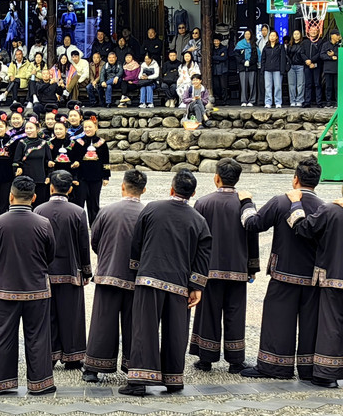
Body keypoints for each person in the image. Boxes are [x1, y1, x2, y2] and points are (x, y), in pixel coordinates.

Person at [120, 169, 212, 396]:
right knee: (176, 331)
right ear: (193, 194)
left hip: (149, 278)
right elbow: (203, 256)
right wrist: (197, 286)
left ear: (172, 189)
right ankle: (173, 379)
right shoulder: (199, 221)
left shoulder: (152, 208)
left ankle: (140, 381)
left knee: (144, 329)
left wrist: (136, 270)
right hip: (179, 283)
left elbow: (137, 242)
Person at [238, 156, 324, 381]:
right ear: (317, 181)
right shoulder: (324, 207)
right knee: (310, 325)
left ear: (295, 179)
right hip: (312, 277)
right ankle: (309, 369)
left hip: (283, 273)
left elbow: (253, 224)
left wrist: (246, 203)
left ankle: (275, 367)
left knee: (277, 321)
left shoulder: (281, 201)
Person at [0, 176, 57, 395]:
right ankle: (40, 383)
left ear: (10, 196)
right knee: (38, 337)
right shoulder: (43, 223)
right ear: (34, 198)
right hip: (37, 289)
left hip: (6, 289)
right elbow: (50, 255)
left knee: (2, 336)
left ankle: (0, 381)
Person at [189, 158, 259, 373]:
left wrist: (193, 269)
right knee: (235, 313)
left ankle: (206, 358)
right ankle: (236, 360)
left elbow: (196, 239)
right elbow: (252, 236)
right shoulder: (245, 204)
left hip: (208, 269)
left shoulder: (203, 203)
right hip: (237, 269)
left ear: (216, 178)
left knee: (207, 313)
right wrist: (252, 267)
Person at [83, 169, 147, 381]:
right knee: (134, 324)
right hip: (136, 277)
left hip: (108, 274)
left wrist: (106, 255)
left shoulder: (107, 211)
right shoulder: (147, 214)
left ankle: (93, 368)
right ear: (144, 190)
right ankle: (133, 366)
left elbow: (95, 241)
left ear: (122, 186)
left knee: (102, 322)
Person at [285, 186, 343, 388]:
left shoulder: (331, 210)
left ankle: (326, 373)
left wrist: (295, 203)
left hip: (334, 276)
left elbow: (303, 228)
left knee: (331, 324)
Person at [34, 170, 91, 369]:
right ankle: (73, 356)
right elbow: (84, 245)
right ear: (70, 188)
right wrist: (86, 271)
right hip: (70, 270)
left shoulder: (39, 210)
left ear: (51, 187)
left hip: (45, 271)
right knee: (71, 314)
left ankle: (49, 355)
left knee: (47, 315)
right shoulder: (78, 212)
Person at [75, 114, 109, 225]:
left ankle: (94, 225)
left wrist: (106, 176)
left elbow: (106, 160)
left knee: (94, 202)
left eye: (90, 127)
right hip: (82, 177)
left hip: (96, 177)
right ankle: (79, 225)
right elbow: (76, 159)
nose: (87, 129)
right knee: (80, 201)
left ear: (96, 127)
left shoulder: (102, 142)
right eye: (85, 127)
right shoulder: (79, 142)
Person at [14, 116, 53, 207]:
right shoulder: (22, 143)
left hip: (41, 179)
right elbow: (16, 161)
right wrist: (18, 169)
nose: (28, 130)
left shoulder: (44, 143)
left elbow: (49, 161)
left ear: (37, 129)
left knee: (40, 205)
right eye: (26, 128)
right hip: (26, 180)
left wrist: (49, 175)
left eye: (31, 128)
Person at [261, 30, 287, 109]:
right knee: (268, 87)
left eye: (273, 36)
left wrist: (282, 70)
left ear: (276, 37)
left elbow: (283, 59)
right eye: (271, 36)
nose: (272, 37)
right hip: (267, 69)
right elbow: (263, 59)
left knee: (278, 86)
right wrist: (263, 69)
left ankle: (278, 102)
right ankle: (268, 102)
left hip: (277, 69)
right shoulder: (266, 47)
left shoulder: (280, 46)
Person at [235, 30, 258, 107]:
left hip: (252, 66)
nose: (247, 35)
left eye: (249, 34)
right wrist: (243, 61)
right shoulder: (240, 44)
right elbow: (236, 55)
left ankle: (252, 100)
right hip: (242, 67)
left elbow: (255, 55)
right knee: (243, 85)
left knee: (252, 84)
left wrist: (250, 62)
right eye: (246, 34)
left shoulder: (254, 43)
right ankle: (243, 100)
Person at [302, 25, 324, 107]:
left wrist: (312, 60)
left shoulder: (321, 42)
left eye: (315, 30)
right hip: (307, 65)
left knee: (317, 84)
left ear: (318, 32)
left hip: (317, 65)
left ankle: (319, 102)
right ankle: (307, 102)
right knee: (308, 84)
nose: (313, 32)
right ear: (308, 31)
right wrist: (307, 61)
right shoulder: (305, 42)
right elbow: (301, 53)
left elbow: (320, 53)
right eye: (311, 30)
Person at [286, 29, 307, 107]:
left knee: (300, 84)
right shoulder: (289, 45)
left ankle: (299, 100)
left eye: (298, 34)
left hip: (300, 66)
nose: (296, 35)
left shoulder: (303, 44)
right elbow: (287, 55)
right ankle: (292, 100)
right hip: (291, 66)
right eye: (295, 34)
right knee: (291, 84)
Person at [321, 29, 340, 107]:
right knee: (328, 86)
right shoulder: (325, 45)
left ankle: (338, 101)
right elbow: (322, 55)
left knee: (337, 86)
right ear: (332, 36)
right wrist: (331, 57)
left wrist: (335, 54)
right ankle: (328, 102)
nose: (339, 37)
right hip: (328, 69)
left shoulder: (340, 45)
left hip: (338, 69)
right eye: (337, 35)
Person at [211, 36, 229, 106]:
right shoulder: (212, 49)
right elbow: (210, 58)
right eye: (215, 41)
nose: (216, 42)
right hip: (215, 69)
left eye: (217, 41)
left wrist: (214, 58)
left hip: (223, 69)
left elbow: (224, 58)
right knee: (216, 86)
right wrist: (218, 57)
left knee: (224, 86)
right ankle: (219, 100)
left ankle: (225, 100)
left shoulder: (224, 48)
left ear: (220, 41)